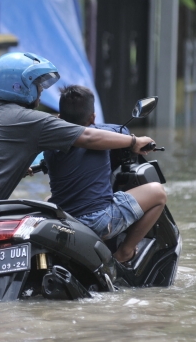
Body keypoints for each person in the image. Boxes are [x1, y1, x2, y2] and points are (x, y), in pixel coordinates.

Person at [0, 53, 157, 298]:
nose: (41, 92)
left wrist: (23, 167)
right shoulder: (31, 120)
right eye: (37, 85)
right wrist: (134, 141)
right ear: (20, 86)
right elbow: (87, 136)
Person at [43, 85, 167, 265]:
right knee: (158, 193)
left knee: (49, 198)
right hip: (98, 221)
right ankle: (125, 251)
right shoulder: (108, 135)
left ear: (60, 116)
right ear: (93, 118)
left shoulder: (49, 139)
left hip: (66, 218)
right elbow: (122, 132)